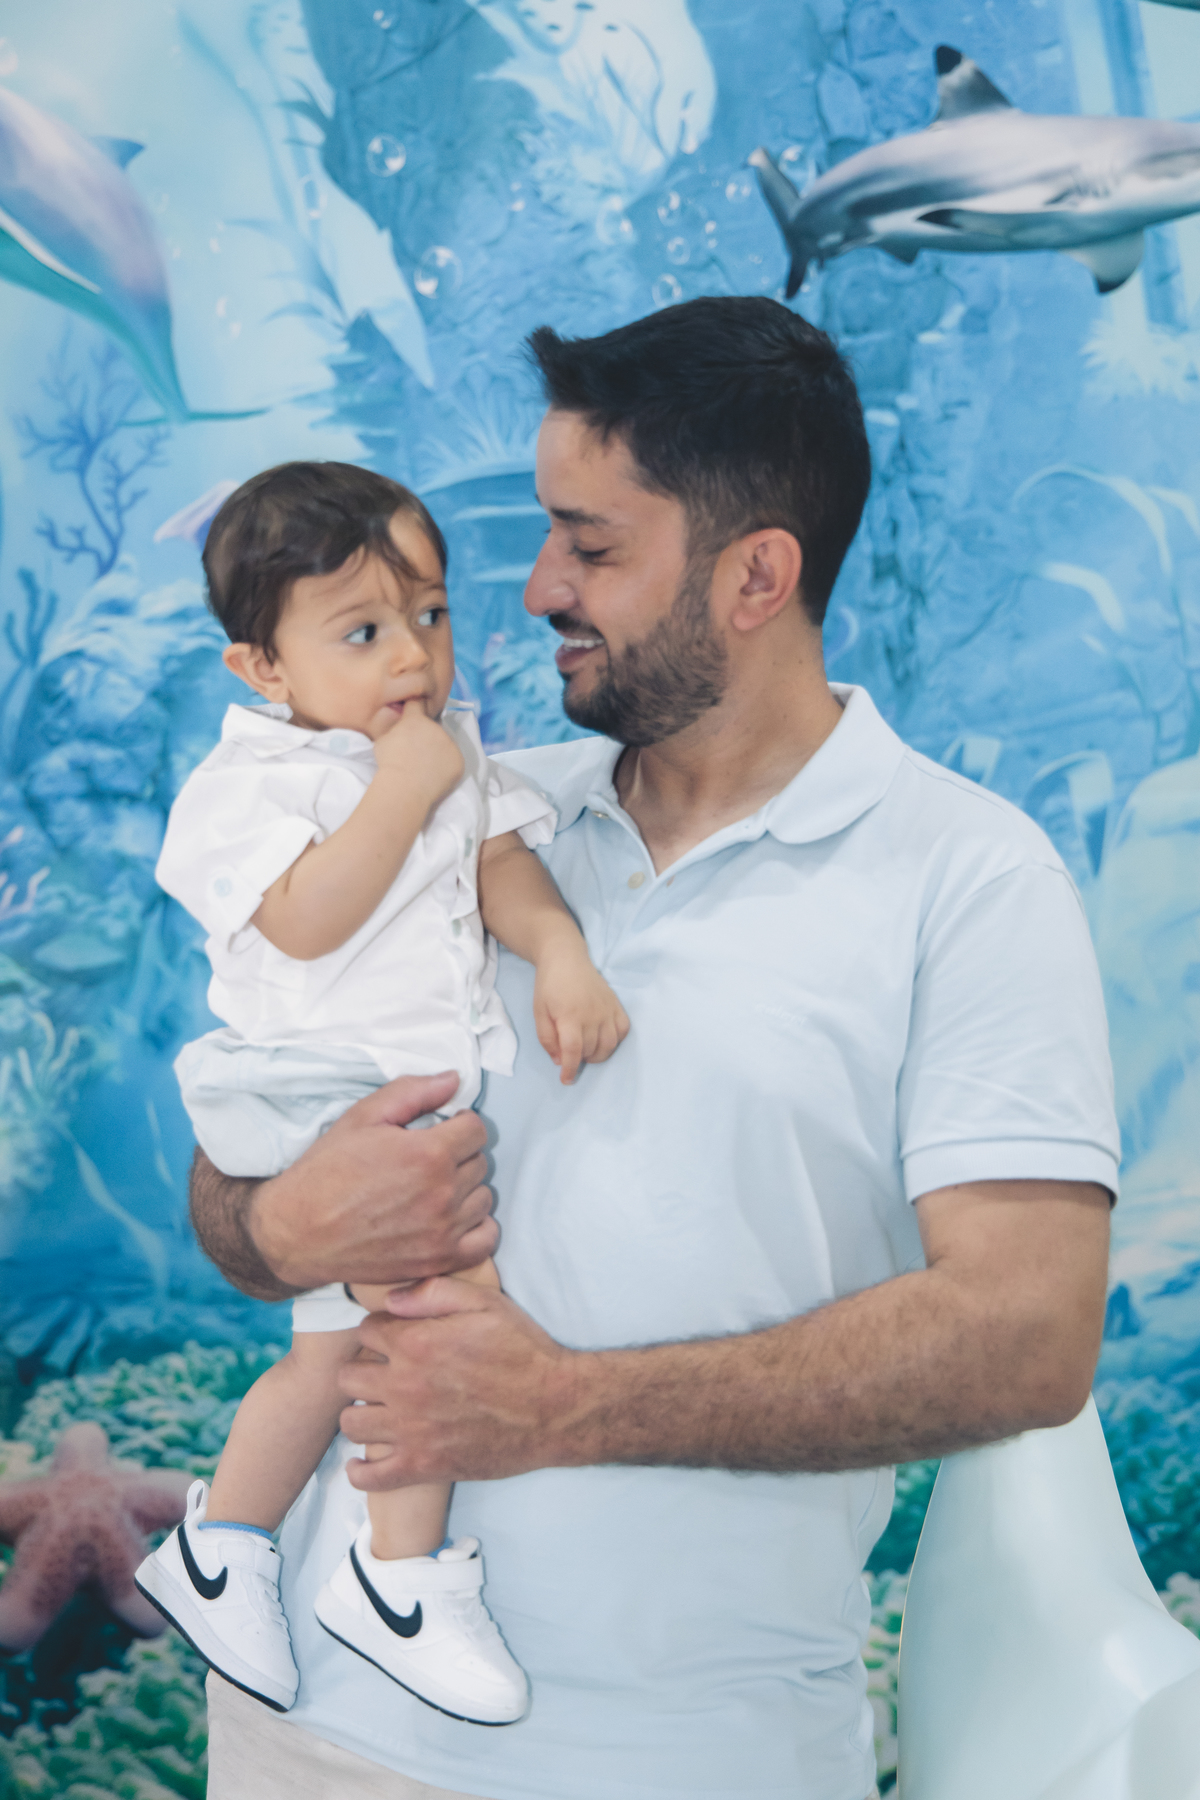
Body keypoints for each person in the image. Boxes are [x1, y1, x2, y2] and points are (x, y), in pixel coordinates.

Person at [189, 297, 1117, 1800]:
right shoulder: (456, 809)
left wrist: (564, 1407)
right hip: (306, 1737)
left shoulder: (971, 879)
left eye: (592, 545)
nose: (539, 586)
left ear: (757, 575)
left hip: (689, 1760)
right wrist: (282, 1221)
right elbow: (242, 1160)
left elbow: (1028, 1333)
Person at [136, 464, 628, 1726]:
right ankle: (397, 1575)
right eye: (361, 632)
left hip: (390, 1090)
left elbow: (502, 868)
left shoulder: (443, 749)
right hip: (306, 1090)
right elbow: (305, 921)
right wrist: (405, 788)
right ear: (263, 667)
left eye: (430, 615)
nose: (411, 655)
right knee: (442, 1314)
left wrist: (560, 955)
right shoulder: (254, 782)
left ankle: (221, 1544)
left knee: (335, 1354)